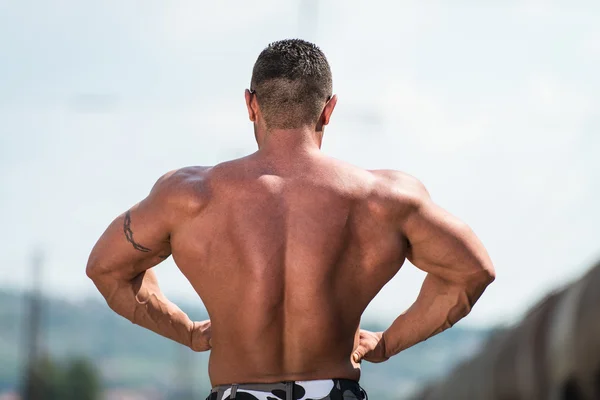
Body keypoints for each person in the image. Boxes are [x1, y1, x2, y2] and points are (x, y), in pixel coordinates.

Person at [86, 39, 495, 400]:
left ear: (251, 105)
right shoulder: (384, 199)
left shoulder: (189, 196)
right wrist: (388, 343)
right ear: (329, 109)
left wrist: (189, 332)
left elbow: (108, 268)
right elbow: (472, 270)